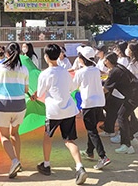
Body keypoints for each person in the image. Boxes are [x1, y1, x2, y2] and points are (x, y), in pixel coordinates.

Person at [32, 44, 88, 185]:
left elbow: (39, 93)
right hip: (68, 109)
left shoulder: (45, 74)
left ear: (45, 57)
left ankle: (46, 164)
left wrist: (34, 95)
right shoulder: (64, 71)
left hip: (53, 111)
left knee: (47, 136)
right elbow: (71, 87)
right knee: (69, 140)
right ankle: (79, 167)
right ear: (58, 56)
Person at [0, 42, 29, 179]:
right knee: (15, 133)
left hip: (3, 105)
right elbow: (26, 90)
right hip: (20, 105)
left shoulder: (0, 67)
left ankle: (14, 161)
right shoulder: (24, 69)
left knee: (4, 136)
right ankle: (18, 161)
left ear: (6, 53)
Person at [73, 46, 111, 170]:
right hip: (99, 102)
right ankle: (89, 151)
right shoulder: (95, 70)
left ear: (82, 59)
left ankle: (103, 156)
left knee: (92, 131)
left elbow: (73, 87)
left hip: (88, 104)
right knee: (92, 128)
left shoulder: (80, 72)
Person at [102, 52, 138, 154]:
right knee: (124, 115)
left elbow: (105, 89)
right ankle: (131, 138)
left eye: (105, 60)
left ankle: (126, 145)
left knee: (121, 116)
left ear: (109, 61)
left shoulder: (115, 71)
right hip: (135, 93)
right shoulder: (118, 68)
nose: (104, 62)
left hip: (133, 95)